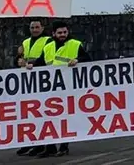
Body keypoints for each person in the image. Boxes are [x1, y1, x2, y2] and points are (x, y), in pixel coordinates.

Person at [28, 21, 90, 157]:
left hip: (69, 88)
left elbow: (87, 59)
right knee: (48, 118)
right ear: (54, 33)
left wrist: (78, 60)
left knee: (65, 119)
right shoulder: (48, 47)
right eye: (60, 33)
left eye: (64, 32)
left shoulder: (75, 44)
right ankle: (50, 147)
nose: (62, 35)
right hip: (50, 88)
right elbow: (40, 63)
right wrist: (30, 66)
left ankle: (63, 146)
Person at [16, 21, 53, 156]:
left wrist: (29, 64)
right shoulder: (25, 42)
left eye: (37, 27)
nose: (35, 29)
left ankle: (48, 145)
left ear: (42, 28)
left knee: (45, 113)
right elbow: (21, 60)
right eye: (32, 27)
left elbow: (46, 58)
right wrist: (18, 60)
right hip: (29, 81)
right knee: (31, 113)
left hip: (44, 79)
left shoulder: (48, 40)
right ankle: (35, 144)